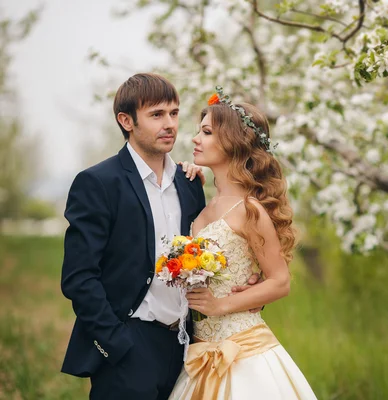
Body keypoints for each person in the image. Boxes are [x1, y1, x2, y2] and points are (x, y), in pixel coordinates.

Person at [60, 73, 259, 400]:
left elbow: (209, 251)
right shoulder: (98, 183)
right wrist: (116, 345)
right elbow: (79, 278)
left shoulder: (190, 182)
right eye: (156, 115)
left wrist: (248, 282)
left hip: (186, 349)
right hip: (128, 345)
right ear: (127, 121)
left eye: (174, 113)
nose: (169, 124)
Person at [168, 88, 317, 399]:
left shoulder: (250, 210)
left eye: (206, 132)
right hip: (201, 354)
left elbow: (280, 282)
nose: (196, 139)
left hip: (245, 352)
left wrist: (220, 305)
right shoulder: (204, 209)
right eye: (199, 131)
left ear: (233, 142)